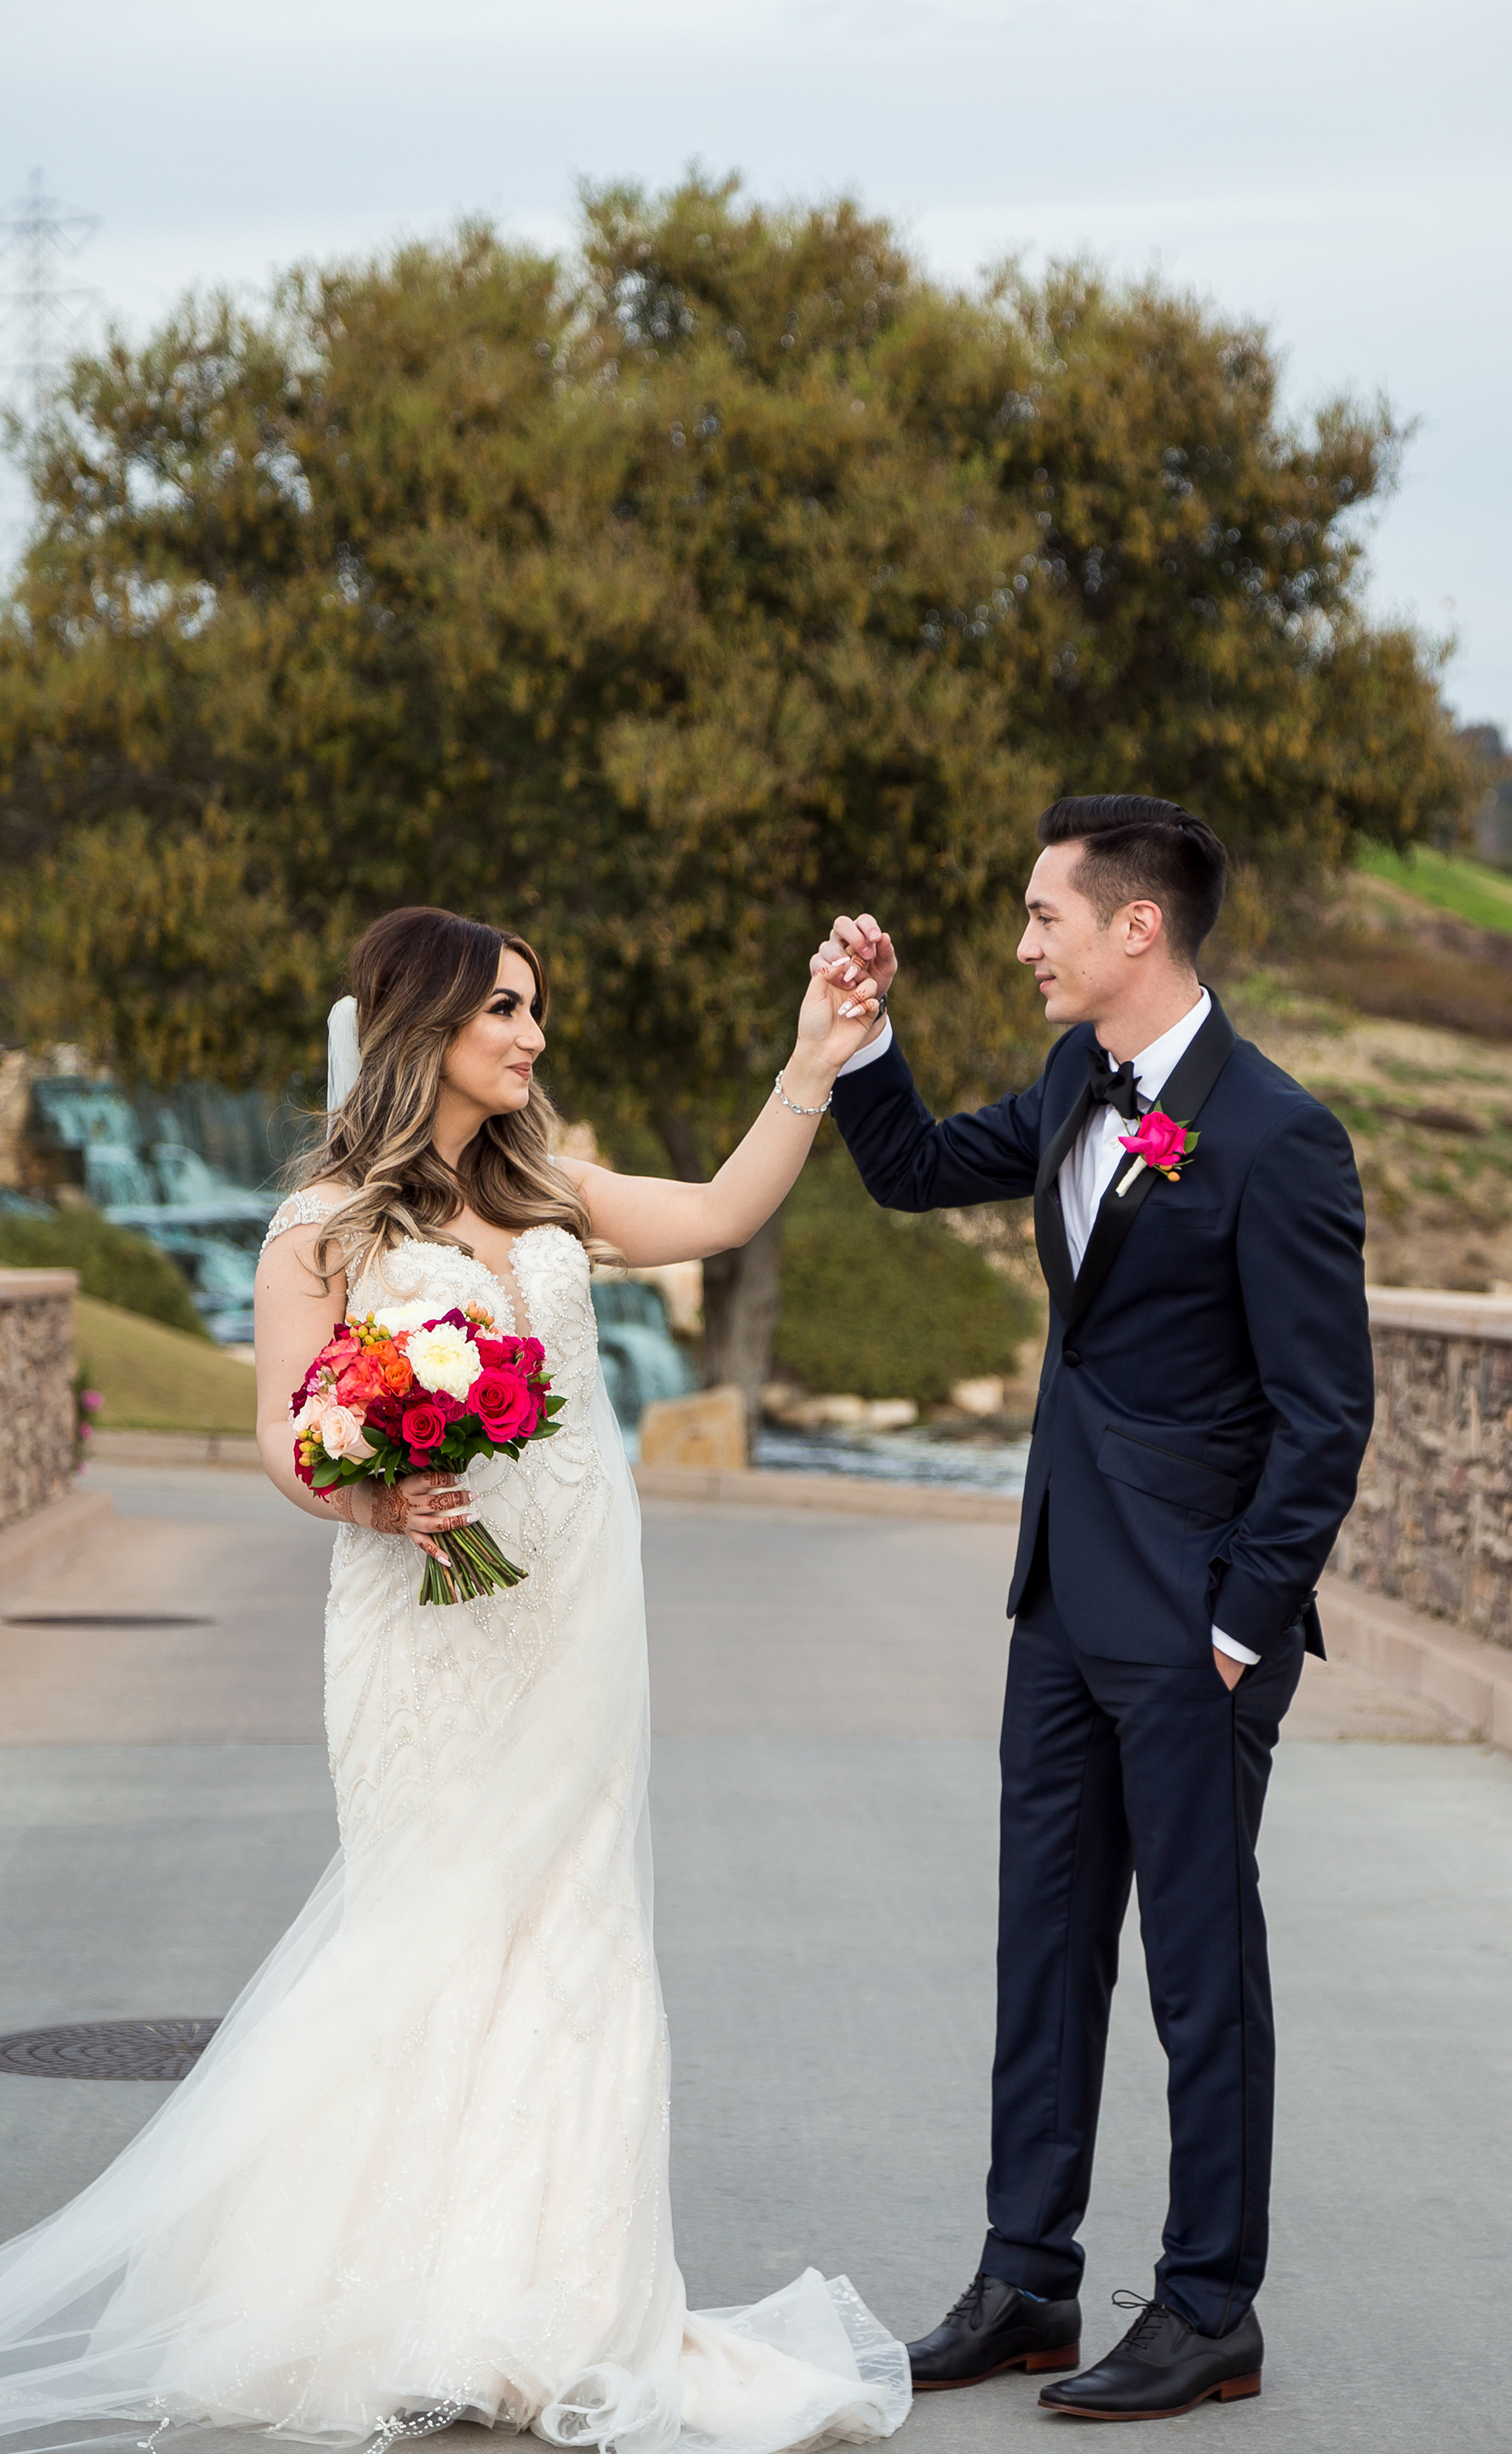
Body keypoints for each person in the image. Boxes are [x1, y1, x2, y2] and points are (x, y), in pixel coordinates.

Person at [0, 905, 908, 2454]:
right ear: (426, 1023)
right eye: (506, 1009)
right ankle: (397, 2306)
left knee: (573, 1936)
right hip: (420, 1623)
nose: (533, 1036)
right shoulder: (324, 1226)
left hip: (573, 1617)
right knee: (429, 1930)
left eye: (536, 1010)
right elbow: (284, 1428)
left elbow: (718, 1211)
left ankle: (542, 2308)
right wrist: (367, 1496)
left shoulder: (550, 1191)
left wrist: (814, 1062)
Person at [815, 795, 1375, 2422]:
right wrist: (863, 1039)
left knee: (1202, 1972)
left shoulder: (1279, 1136)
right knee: (1044, 1946)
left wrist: (1241, 1623)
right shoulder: (1076, 1079)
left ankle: (1208, 2308)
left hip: (1196, 1628)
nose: (1022, 945)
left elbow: (1325, 1415)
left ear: (1139, 925)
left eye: (1043, 915)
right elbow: (914, 1168)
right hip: (1061, 1601)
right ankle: (1025, 2282)